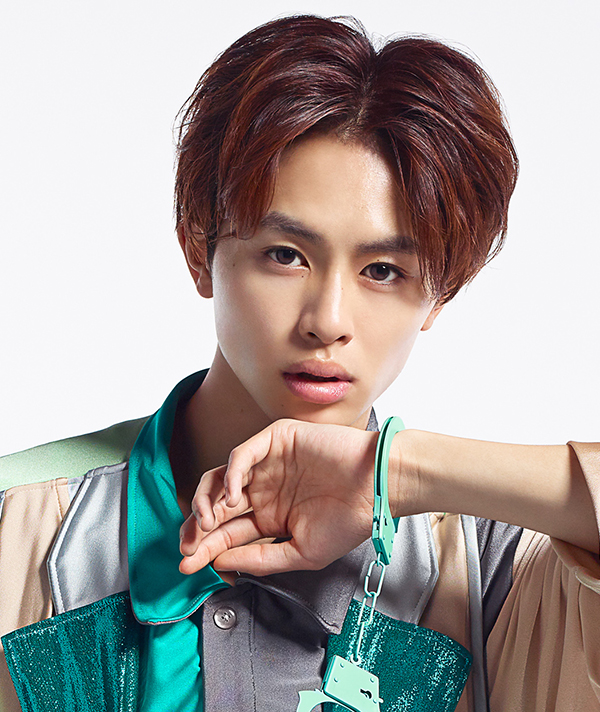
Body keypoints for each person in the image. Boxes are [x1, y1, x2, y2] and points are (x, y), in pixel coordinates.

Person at [0, 13, 598, 712]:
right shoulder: (18, 524)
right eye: (285, 255)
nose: (328, 320)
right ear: (199, 249)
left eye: (383, 270)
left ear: (440, 293)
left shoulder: (494, 569)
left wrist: (391, 474)